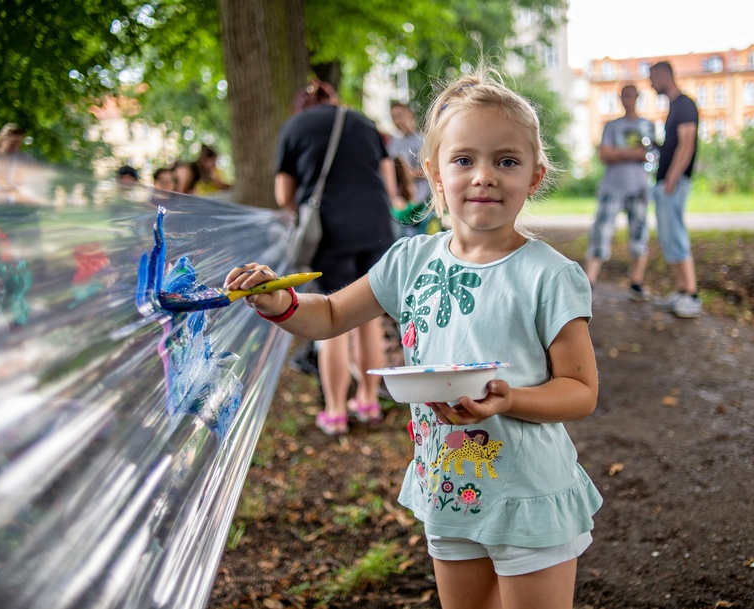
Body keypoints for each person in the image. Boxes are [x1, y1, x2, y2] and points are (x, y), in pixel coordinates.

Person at [226, 68, 602, 609]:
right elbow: (330, 314)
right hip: (448, 491)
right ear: (432, 171)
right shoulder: (410, 261)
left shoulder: (550, 275)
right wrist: (280, 301)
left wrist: (511, 398)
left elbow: (580, 389)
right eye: (464, 159)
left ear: (535, 176)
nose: (484, 176)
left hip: (529, 496)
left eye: (507, 161)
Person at [275, 79, 405, 435]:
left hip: (329, 233)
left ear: (302, 105)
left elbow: (283, 193)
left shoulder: (294, 127)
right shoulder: (362, 122)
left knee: (331, 320)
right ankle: (367, 400)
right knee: (368, 317)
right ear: (333, 99)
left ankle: (334, 411)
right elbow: (388, 185)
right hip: (375, 227)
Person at [583, 84, 654, 301]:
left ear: (637, 98)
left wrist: (621, 153)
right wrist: (632, 153)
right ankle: (588, 283)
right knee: (601, 232)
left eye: (631, 95)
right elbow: (605, 154)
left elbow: (649, 155)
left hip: (639, 187)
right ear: (620, 99)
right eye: (624, 96)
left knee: (639, 234)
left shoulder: (647, 126)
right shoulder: (611, 126)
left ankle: (636, 282)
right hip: (613, 186)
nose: (627, 99)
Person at [649, 61, 702, 318]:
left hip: (674, 183)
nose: (650, 84)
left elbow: (687, 144)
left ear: (662, 76)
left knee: (676, 235)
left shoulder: (685, 104)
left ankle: (691, 295)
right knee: (669, 237)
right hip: (665, 182)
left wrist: (671, 177)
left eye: (652, 79)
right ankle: (682, 291)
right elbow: (673, 145)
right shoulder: (674, 108)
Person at [388, 101, 433, 236]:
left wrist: (410, 174)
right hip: (403, 204)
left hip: (422, 203)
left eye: (399, 115)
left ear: (409, 114)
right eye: (393, 117)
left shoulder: (422, 140)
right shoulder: (394, 143)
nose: (397, 121)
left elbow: (432, 170)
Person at [0, 123, 36, 196]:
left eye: (19, 143)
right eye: (13, 143)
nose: (16, 146)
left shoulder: (26, 161)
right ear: (2, 140)